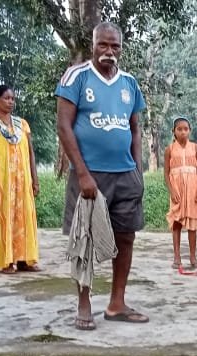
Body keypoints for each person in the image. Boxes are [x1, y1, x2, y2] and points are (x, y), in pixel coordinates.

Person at [57, 22, 149, 331]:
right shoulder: (77, 77)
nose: (109, 52)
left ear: (121, 48)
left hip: (125, 175)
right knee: (85, 238)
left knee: (126, 237)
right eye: (103, 45)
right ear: (93, 44)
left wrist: (137, 170)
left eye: (115, 46)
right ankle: (84, 301)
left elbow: (135, 129)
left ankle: (116, 303)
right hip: (90, 175)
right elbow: (64, 126)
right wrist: (82, 173)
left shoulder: (129, 84)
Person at [0, 84, 41, 274]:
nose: (11, 102)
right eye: (6, 98)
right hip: (1, 184)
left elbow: (30, 153)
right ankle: (7, 261)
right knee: (3, 220)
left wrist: (35, 179)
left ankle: (24, 260)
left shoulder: (22, 124)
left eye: (13, 98)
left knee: (24, 219)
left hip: (22, 183)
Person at [164, 117, 197, 269]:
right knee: (176, 222)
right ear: (173, 131)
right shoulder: (169, 149)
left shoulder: (195, 148)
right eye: (179, 129)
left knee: (192, 224)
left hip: (193, 188)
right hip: (177, 190)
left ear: (190, 130)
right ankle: (177, 257)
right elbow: (166, 173)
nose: (182, 132)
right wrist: (172, 191)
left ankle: (193, 257)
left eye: (185, 129)